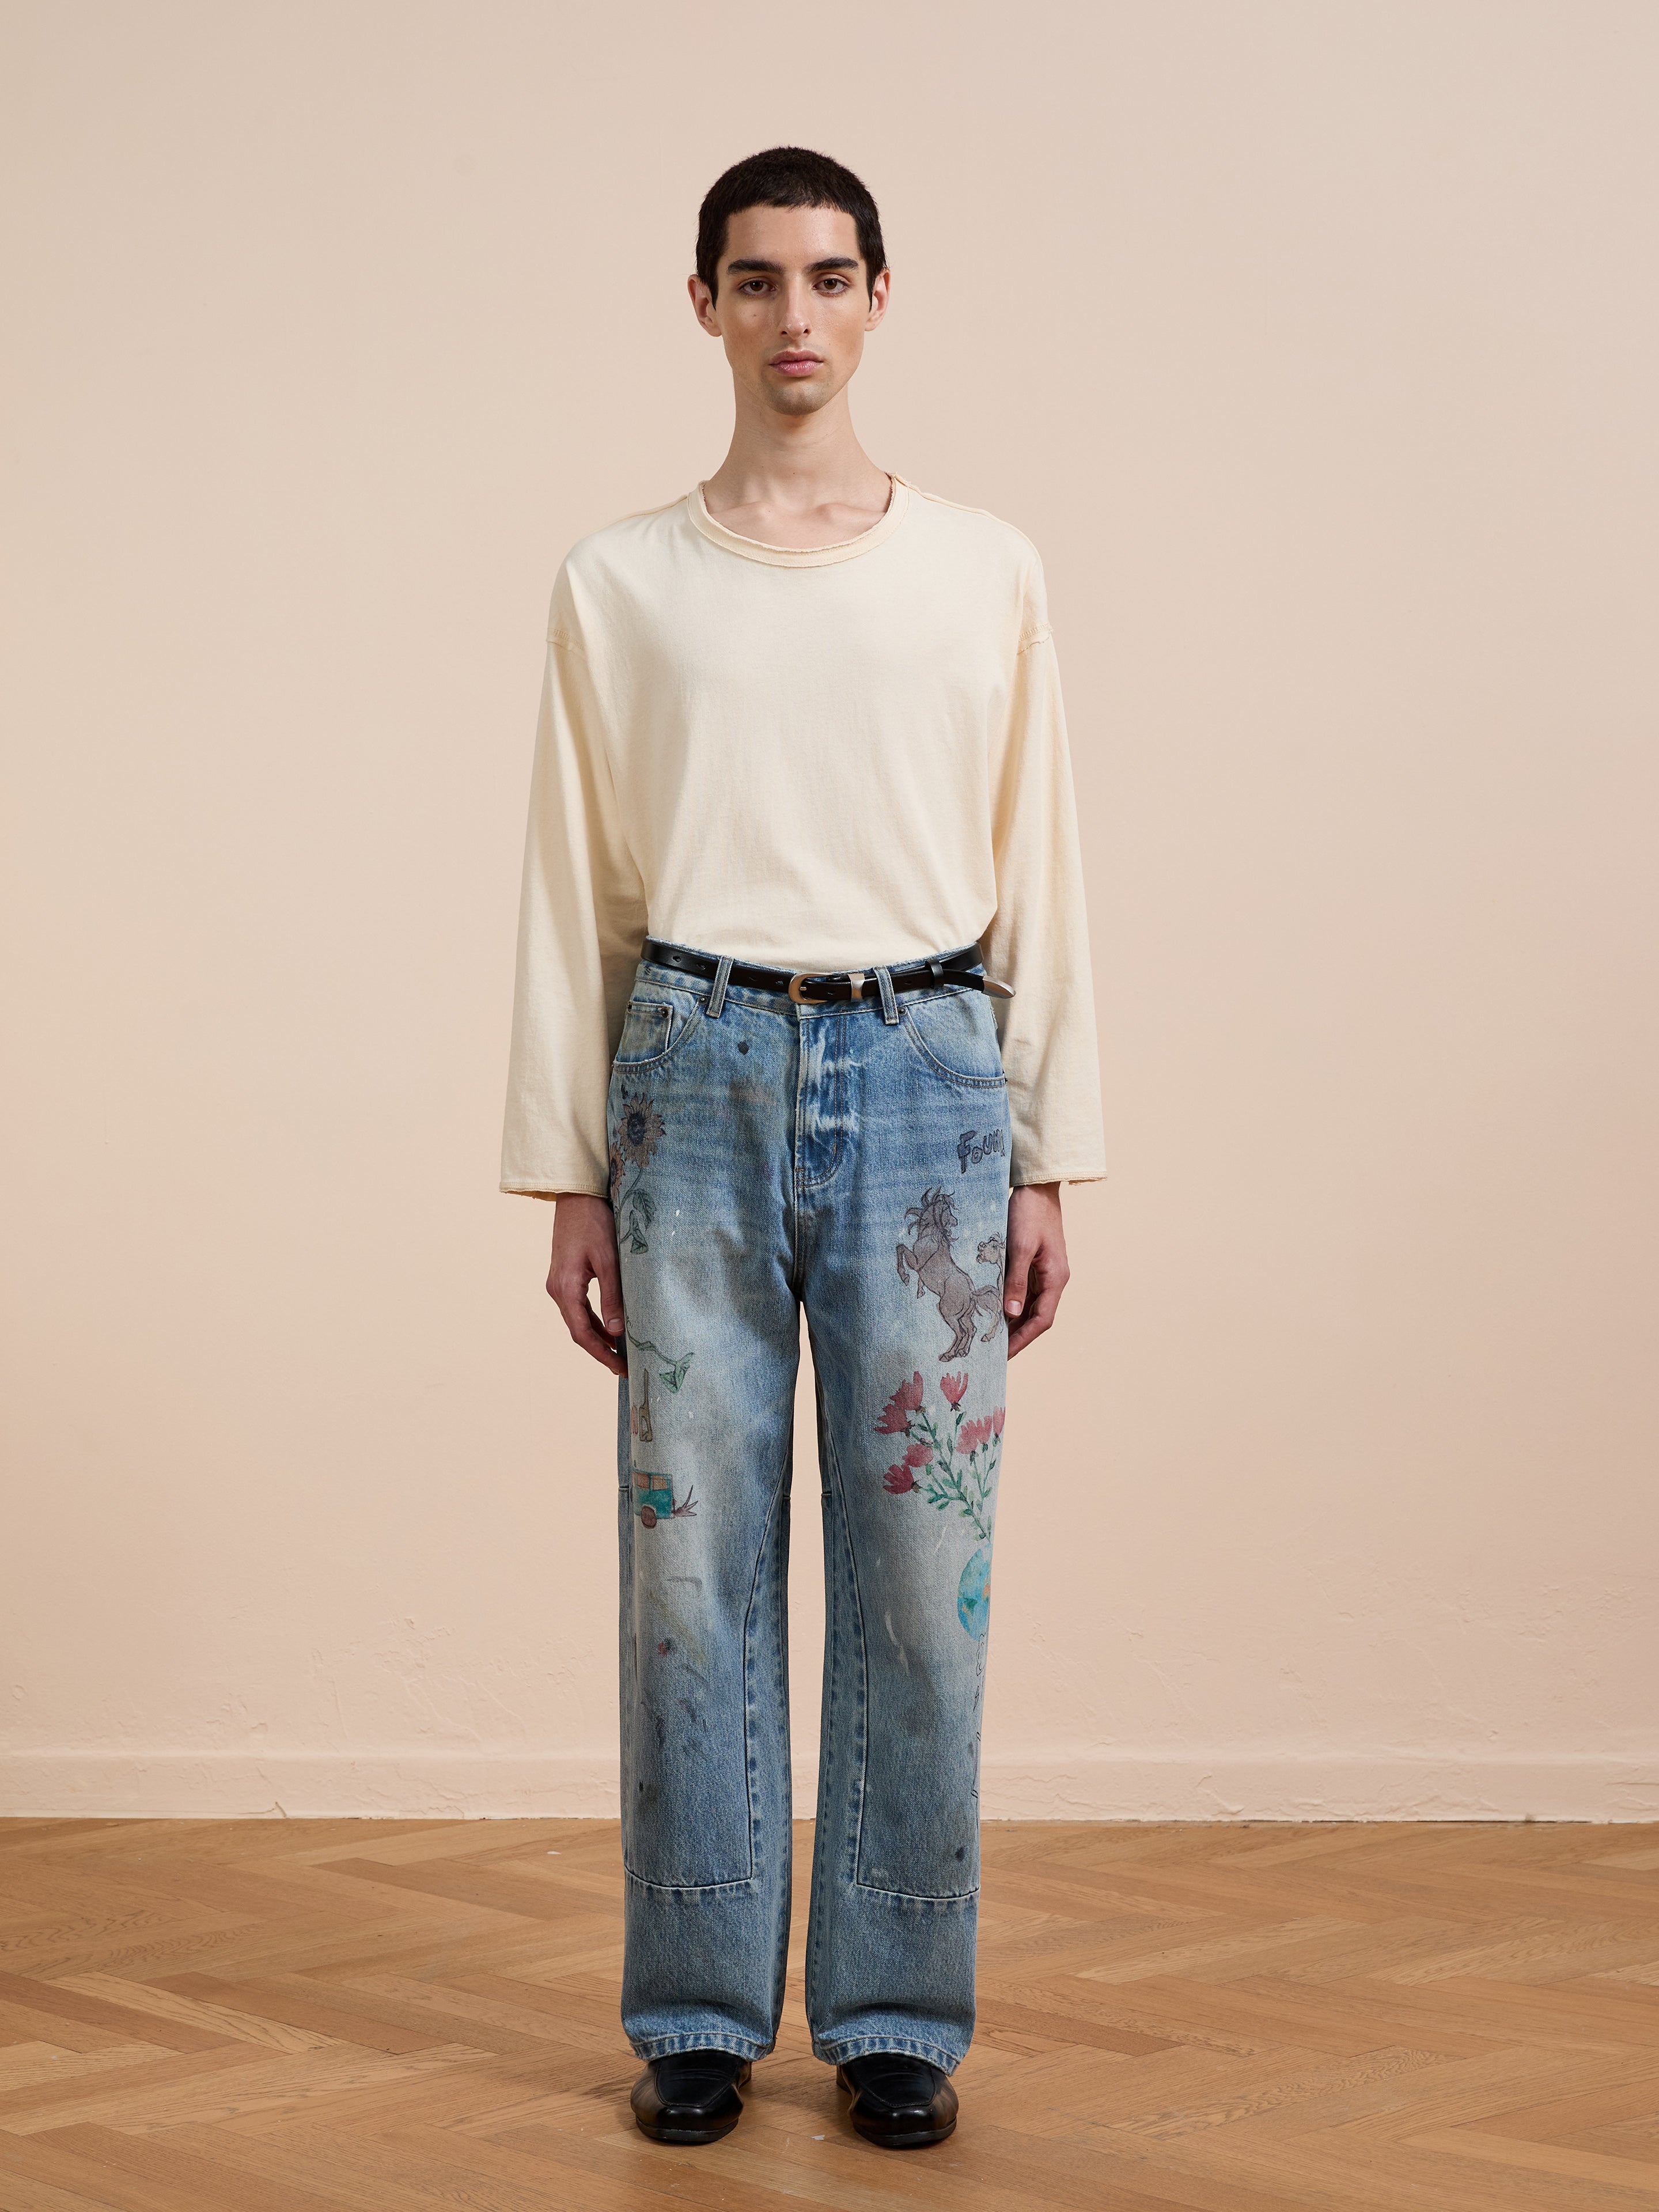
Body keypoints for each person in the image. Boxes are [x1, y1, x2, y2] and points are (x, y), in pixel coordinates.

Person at [501, 145, 1105, 2152]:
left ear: (877, 297)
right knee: (691, 1569)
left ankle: (899, 2008)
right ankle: (693, 2002)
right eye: (755, 282)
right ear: (704, 304)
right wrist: (569, 1168)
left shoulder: (983, 569)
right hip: (690, 1072)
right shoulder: (621, 581)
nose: (795, 320)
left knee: (926, 1571)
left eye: (829, 280)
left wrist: (1047, 1155)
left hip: (930, 1071)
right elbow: (576, 889)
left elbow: (1044, 868)